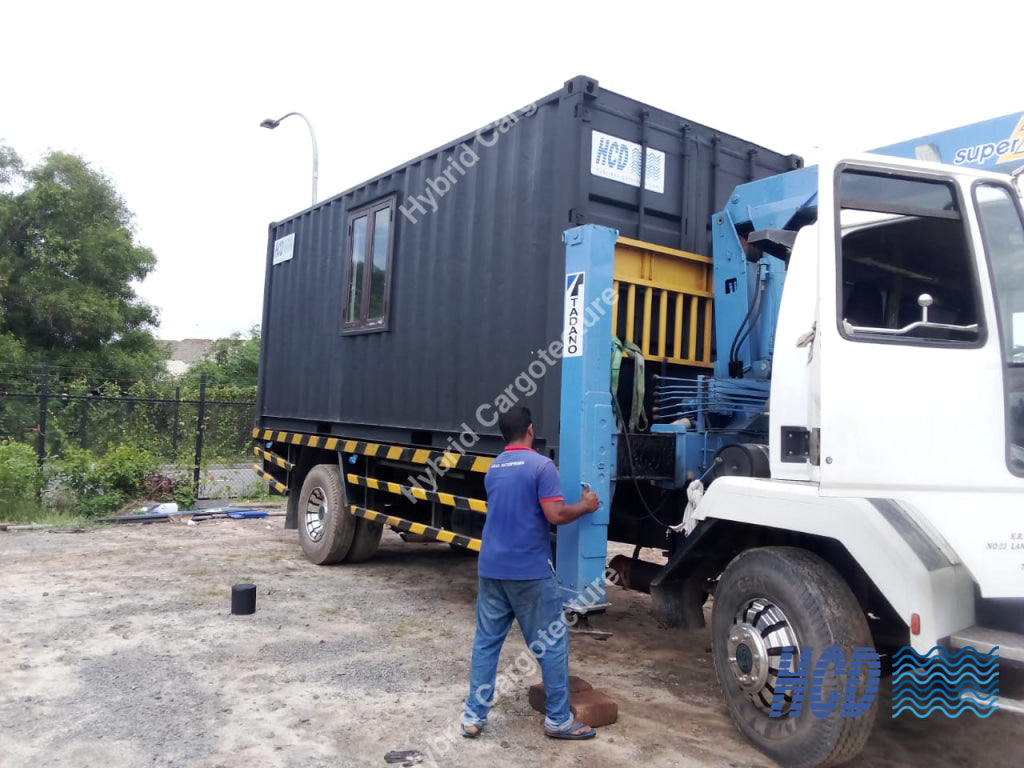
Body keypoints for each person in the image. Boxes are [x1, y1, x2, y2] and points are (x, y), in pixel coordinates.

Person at [461, 405, 600, 740]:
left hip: (491, 568)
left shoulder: (494, 468)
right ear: (530, 430)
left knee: (486, 644)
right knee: (551, 643)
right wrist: (586, 506)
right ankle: (557, 720)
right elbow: (555, 515)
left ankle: (472, 717)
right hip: (528, 571)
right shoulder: (541, 466)